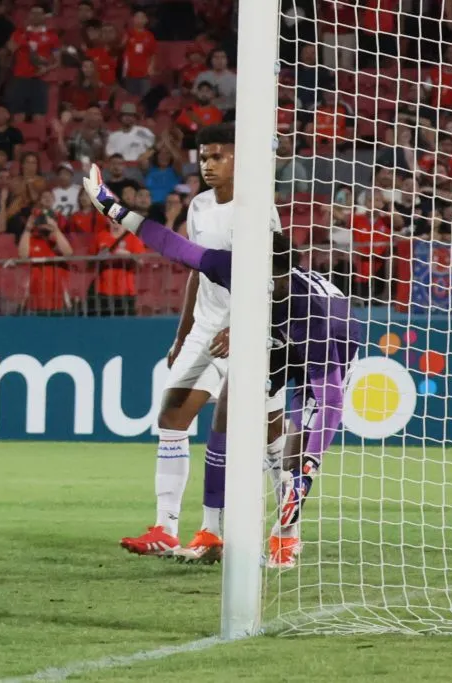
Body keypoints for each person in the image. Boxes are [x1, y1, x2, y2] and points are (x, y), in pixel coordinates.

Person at [84, 161, 359, 569]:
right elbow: (172, 245)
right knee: (227, 417)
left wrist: (309, 467)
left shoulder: (313, 312)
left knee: (296, 438)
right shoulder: (237, 269)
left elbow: (331, 402)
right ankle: (211, 531)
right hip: (270, 341)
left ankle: (286, 535)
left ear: (282, 279)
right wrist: (112, 207)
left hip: (330, 344)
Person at [105, 124, 284, 562]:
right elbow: (195, 266)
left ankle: (287, 526)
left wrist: (244, 326)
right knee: (172, 416)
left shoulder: (258, 209)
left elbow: (274, 278)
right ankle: (167, 529)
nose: (208, 164)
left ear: (241, 160)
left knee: (267, 433)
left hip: (250, 329)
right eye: (204, 156)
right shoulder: (200, 206)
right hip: (207, 329)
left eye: (219, 156)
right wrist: (183, 332)